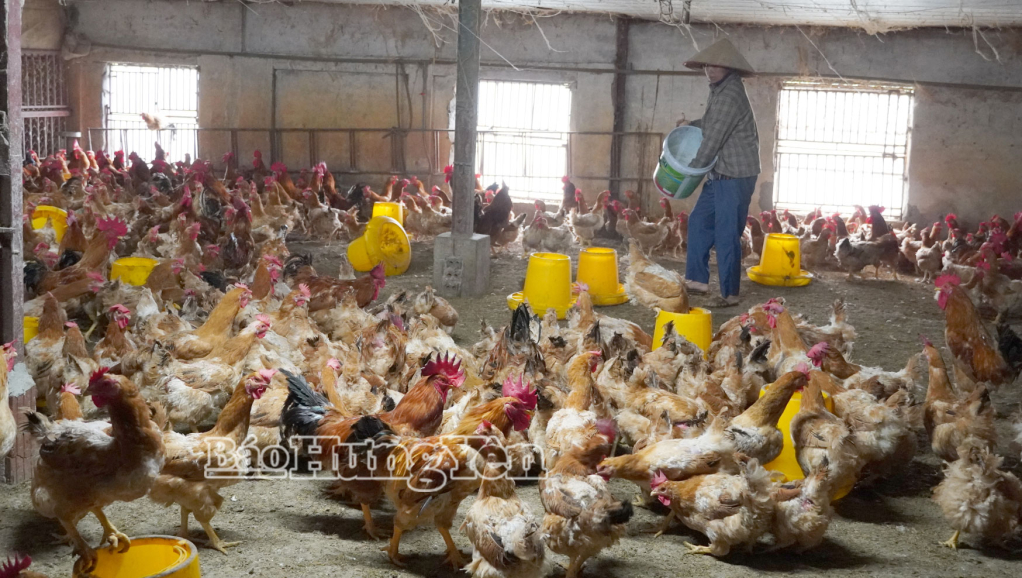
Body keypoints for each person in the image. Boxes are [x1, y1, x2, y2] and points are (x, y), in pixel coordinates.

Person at [678, 39, 760, 307]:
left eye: (716, 66)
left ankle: (730, 294)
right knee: (699, 221)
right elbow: (711, 124)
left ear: (729, 67)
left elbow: (712, 140)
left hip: (734, 176)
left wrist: (691, 170)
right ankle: (697, 280)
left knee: (726, 235)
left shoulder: (729, 95)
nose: (710, 71)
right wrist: (691, 124)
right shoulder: (719, 90)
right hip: (720, 173)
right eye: (707, 66)